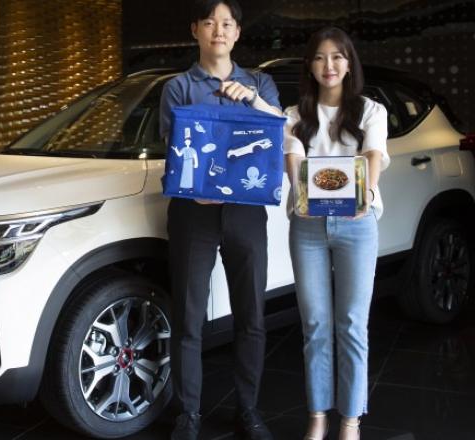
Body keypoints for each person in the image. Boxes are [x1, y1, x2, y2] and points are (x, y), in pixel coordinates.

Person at [158, 1, 282, 439]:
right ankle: (188, 414)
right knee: (188, 317)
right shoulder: (178, 88)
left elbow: (280, 132)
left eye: (227, 23)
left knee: (251, 315)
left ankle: (248, 410)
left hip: (246, 213)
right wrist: (196, 190)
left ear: (238, 32)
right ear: (195, 29)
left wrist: (252, 100)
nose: (218, 30)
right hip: (193, 214)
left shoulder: (260, 83)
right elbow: (174, 149)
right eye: (210, 22)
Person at [283, 27, 389, 440]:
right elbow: (295, 168)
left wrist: (364, 193)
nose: (329, 65)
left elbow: (372, 158)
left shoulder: (370, 112)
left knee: (351, 324)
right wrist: (304, 191)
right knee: (314, 324)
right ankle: (317, 416)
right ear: (309, 66)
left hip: (357, 226)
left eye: (337, 57)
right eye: (319, 57)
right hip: (307, 226)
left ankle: (350, 420)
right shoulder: (294, 116)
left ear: (349, 64)